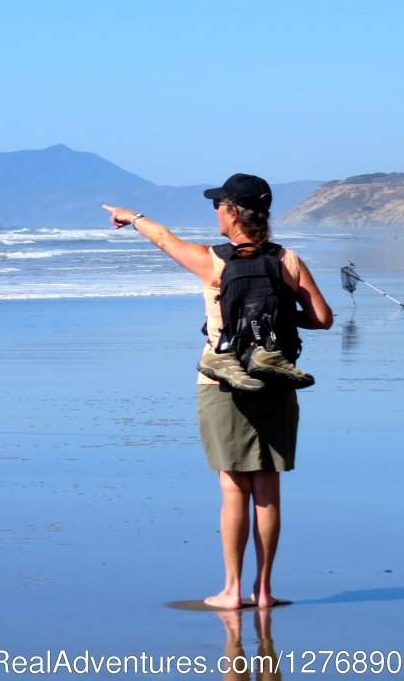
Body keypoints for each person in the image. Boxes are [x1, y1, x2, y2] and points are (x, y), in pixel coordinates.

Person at [103, 173, 333, 609]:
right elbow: (322, 318)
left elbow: (164, 239)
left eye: (218, 205)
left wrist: (130, 217)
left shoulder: (213, 261)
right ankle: (263, 591)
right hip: (276, 377)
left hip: (222, 380)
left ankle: (231, 590)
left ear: (232, 212)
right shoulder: (288, 260)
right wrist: (280, 317)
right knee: (267, 488)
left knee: (233, 487)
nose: (214, 212)